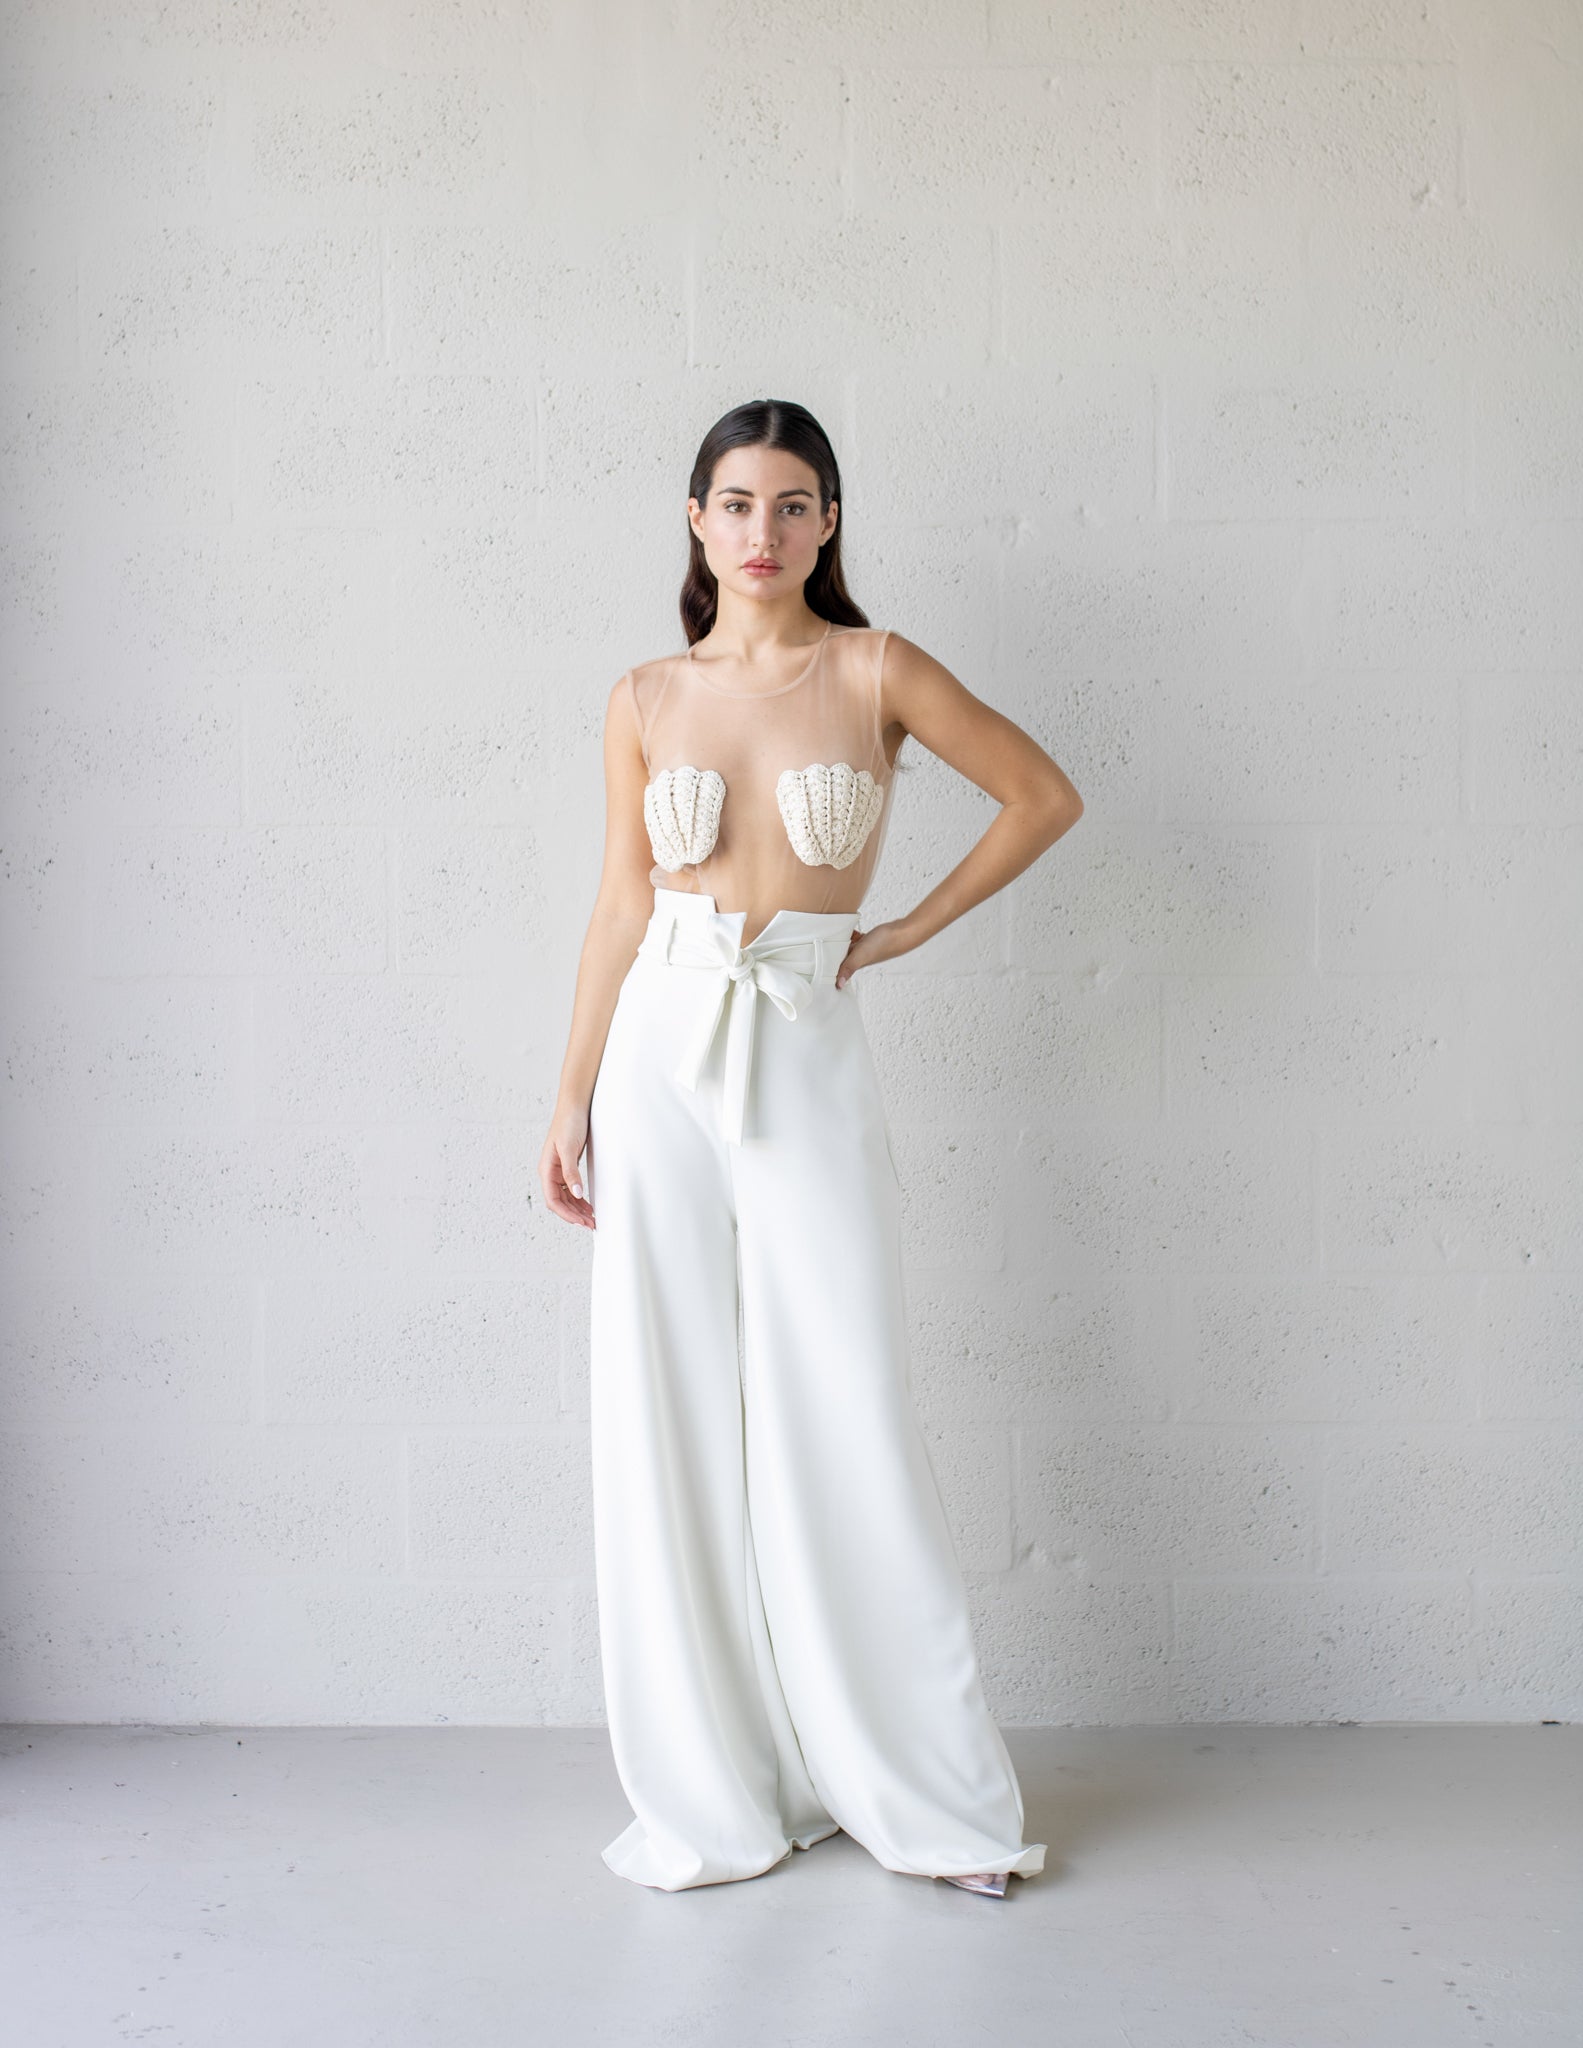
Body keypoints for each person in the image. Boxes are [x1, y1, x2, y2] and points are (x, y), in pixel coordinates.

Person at [541, 398, 1084, 1895]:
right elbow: (621, 904)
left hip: (800, 1038)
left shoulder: (876, 668)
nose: (762, 532)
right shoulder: (644, 695)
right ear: (696, 520)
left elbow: (1042, 796)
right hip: (660, 1054)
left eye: (792, 504)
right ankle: (721, 1790)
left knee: (842, 1396)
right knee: (667, 1411)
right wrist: (573, 1094)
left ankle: (925, 1796)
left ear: (829, 521)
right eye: (736, 503)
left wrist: (897, 932)